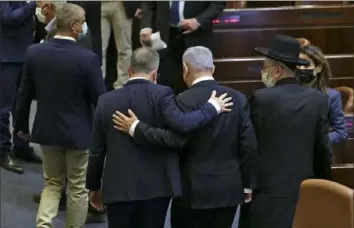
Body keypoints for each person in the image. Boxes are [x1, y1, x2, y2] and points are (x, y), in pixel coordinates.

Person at [86, 47, 233, 228]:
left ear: (130, 70)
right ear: (155, 72)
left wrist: (93, 186)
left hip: (118, 188)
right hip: (157, 188)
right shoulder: (163, 95)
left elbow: (96, 151)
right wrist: (212, 108)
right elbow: (179, 136)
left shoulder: (106, 101)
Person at [112, 46, 257, 228]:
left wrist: (137, 128)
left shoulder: (180, 100)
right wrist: (247, 184)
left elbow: (172, 141)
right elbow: (248, 145)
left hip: (191, 191)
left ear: (185, 69)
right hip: (228, 189)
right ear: (212, 69)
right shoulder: (238, 98)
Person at [14, 3, 106, 227]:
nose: (85, 26)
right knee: (76, 187)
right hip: (79, 135)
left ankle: (43, 224)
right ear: (74, 26)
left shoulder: (34, 52)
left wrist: (21, 126)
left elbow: (24, 94)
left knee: (52, 184)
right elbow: (101, 100)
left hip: (46, 131)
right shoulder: (88, 59)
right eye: (83, 22)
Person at [239, 35, 332, 228]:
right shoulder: (317, 99)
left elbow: (250, 144)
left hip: (266, 192)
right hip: (305, 189)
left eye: (265, 67)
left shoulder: (260, 98)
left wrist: (247, 182)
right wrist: (324, 186)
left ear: (278, 70)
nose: (263, 71)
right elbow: (323, 149)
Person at [140, 1, 226, 94]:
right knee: (165, 86)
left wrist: (199, 20)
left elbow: (218, 4)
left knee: (195, 90)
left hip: (196, 38)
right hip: (165, 39)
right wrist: (146, 26)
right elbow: (148, 4)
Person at [0, 1, 42, 174]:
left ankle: (21, 145)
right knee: (4, 107)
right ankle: (2, 151)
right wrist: (33, 6)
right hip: (6, 57)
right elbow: (7, 18)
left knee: (22, 107)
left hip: (25, 54)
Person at [296, 38, 348, 144]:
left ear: (318, 68)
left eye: (306, 65)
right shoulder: (287, 93)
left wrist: (315, 140)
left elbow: (341, 133)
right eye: (298, 65)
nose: (301, 68)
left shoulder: (331, 96)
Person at [101, 1, 142, 88]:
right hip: (99, 4)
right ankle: (98, 83)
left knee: (124, 49)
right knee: (99, 49)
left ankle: (122, 85)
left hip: (121, 4)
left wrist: (137, 5)